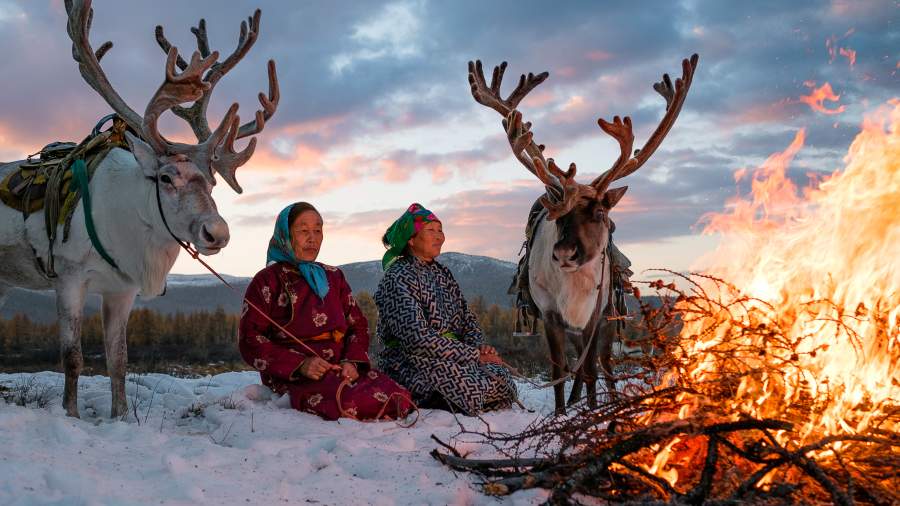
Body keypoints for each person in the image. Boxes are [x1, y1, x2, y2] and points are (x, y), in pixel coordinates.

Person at [239, 202, 413, 421]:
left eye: (318, 230)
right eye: (303, 231)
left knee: (400, 395)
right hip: (296, 375)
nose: (312, 238)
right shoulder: (267, 281)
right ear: (284, 234)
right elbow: (250, 339)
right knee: (349, 402)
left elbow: (357, 325)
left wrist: (351, 361)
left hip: (341, 367)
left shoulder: (334, 277)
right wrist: (300, 365)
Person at [374, 203, 517, 415]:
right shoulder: (397, 278)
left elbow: (467, 319)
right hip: (411, 359)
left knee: (502, 377)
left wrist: (479, 348)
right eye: (431, 230)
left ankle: (459, 397)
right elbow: (417, 339)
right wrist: (473, 355)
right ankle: (438, 398)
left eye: (440, 230)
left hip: (451, 355)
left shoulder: (443, 274)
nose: (439, 236)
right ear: (411, 240)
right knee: (472, 388)